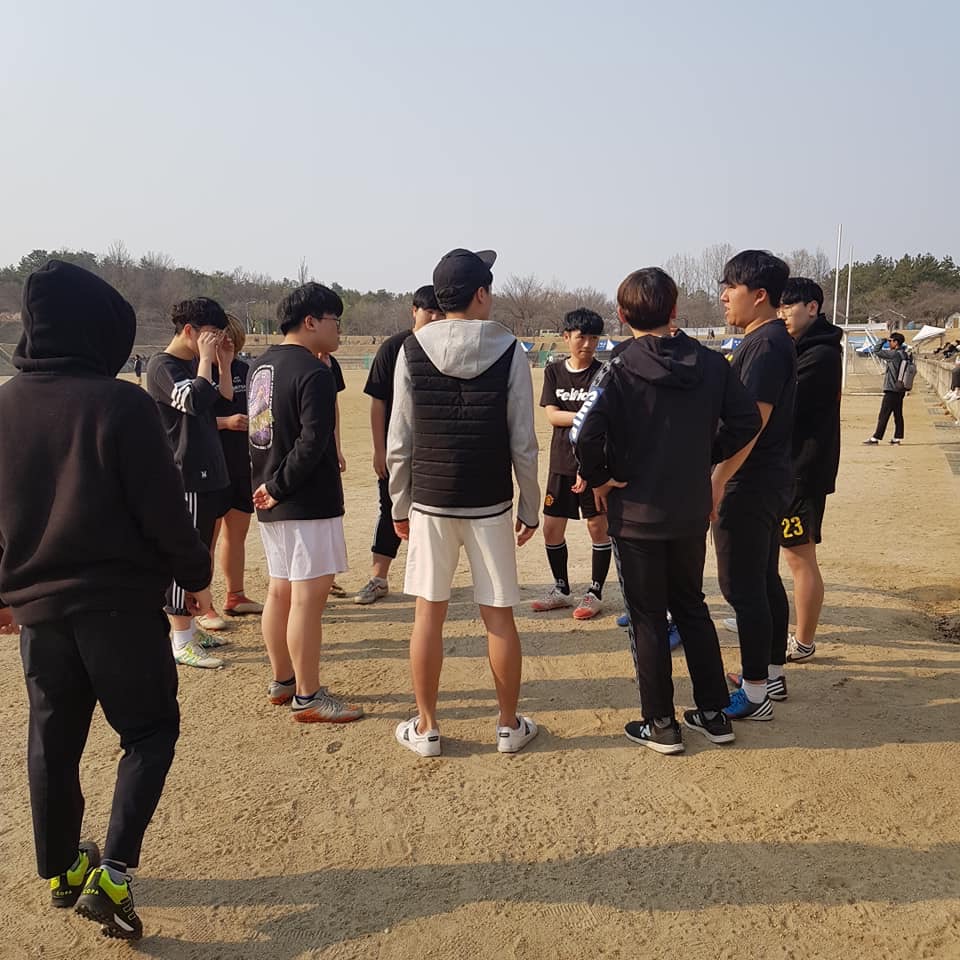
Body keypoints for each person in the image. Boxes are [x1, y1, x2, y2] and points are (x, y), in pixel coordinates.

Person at [0, 260, 213, 940]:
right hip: (118, 605)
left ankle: (63, 870)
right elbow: (163, 510)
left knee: (52, 739)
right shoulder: (119, 404)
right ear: (97, 330)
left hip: (39, 610)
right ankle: (113, 873)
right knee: (149, 731)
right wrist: (194, 573)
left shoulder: (5, 405)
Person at [573, 267, 760, 753]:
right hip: (688, 509)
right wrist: (705, 454)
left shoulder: (617, 366)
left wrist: (599, 475)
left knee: (647, 617)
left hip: (636, 514)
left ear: (621, 314)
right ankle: (714, 714)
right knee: (692, 606)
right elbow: (746, 422)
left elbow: (582, 432)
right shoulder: (713, 363)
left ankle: (660, 723)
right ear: (675, 310)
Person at [388, 248, 541, 757]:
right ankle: (508, 726)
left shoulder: (411, 348)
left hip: (431, 502)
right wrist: (530, 507)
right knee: (498, 617)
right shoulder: (510, 349)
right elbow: (523, 440)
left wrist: (399, 504)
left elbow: (399, 439)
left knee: (427, 617)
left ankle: (427, 727)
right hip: (490, 502)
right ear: (480, 294)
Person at [248, 282, 364, 723]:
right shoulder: (313, 372)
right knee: (307, 599)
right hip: (303, 499)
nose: (339, 330)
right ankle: (308, 695)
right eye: (336, 320)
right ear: (311, 321)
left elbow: (259, 435)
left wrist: (269, 486)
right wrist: (280, 486)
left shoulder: (260, 366)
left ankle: (283, 680)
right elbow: (313, 441)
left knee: (280, 590)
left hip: (270, 495)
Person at [713, 250, 796, 721]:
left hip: (749, 482)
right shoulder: (766, 340)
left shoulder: (765, 346)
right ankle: (770, 674)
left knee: (742, 587)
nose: (724, 296)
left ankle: (757, 692)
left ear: (759, 294)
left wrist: (718, 480)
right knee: (763, 579)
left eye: (732, 288)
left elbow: (752, 425)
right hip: (766, 479)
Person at [146, 297, 233, 668]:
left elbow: (223, 398)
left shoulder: (194, 364)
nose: (214, 341)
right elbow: (192, 400)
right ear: (189, 330)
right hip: (186, 473)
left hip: (208, 469)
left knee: (201, 552)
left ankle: (192, 630)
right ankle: (180, 638)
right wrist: (205, 360)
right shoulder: (162, 365)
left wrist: (222, 362)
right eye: (210, 334)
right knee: (187, 551)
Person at [357, 285, 444, 605]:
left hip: (434, 449)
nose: (434, 318)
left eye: (440, 312)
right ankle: (378, 578)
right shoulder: (394, 347)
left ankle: (431, 580)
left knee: (434, 515)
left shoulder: (445, 346)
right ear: (414, 311)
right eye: (428, 311)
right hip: (397, 449)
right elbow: (378, 402)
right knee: (391, 509)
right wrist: (379, 450)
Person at [775, 279, 842, 663]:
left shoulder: (821, 354)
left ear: (812, 307)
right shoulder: (798, 347)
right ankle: (774, 621)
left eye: (789, 306)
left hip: (802, 471)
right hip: (786, 468)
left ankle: (803, 642)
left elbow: (785, 402)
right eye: (779, 306)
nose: (782, 314)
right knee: (778, 552)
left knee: (799, 557)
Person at [531, 308, 612, 619]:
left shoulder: (604, 373)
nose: (588, 344)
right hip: (561, 463)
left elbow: (607, 420)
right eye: (581, 337)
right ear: (566, 337)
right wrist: (586, 415)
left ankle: (595, 592)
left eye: (594, 338)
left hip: (595, 464)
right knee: (552, 528)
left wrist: (590, 466)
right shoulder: (554, 372)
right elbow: (552, 415)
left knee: (597, 526)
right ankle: (561, 589)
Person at [203, 314, 263, 623]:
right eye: (219, 337)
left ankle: (235, 595)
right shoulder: (198, 372)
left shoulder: (246, 371)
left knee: (236, 535)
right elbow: (185, 421)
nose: (225, 343)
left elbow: (263, 412)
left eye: (230, 338)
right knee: (207, 541)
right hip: (209, 467)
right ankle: (203, 605)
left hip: (241, 464)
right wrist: (225, 423)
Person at [317, 348, 348, 596]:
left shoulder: (331, 362)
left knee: (330, 514)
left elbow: (332, 407)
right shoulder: (296, 362)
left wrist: (336, 447)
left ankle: (327, 577)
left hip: (325, 450)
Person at [864, 332, 909, 444]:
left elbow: (876, 351)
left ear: (896, 342)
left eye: (890, 341)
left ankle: (876, 437)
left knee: (884, 414)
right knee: (898, 414)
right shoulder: (904, 354)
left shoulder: (894, 354)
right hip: (901, 388)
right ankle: (897, 437)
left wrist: (882, 340)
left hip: (892, 389)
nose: (889, 343)